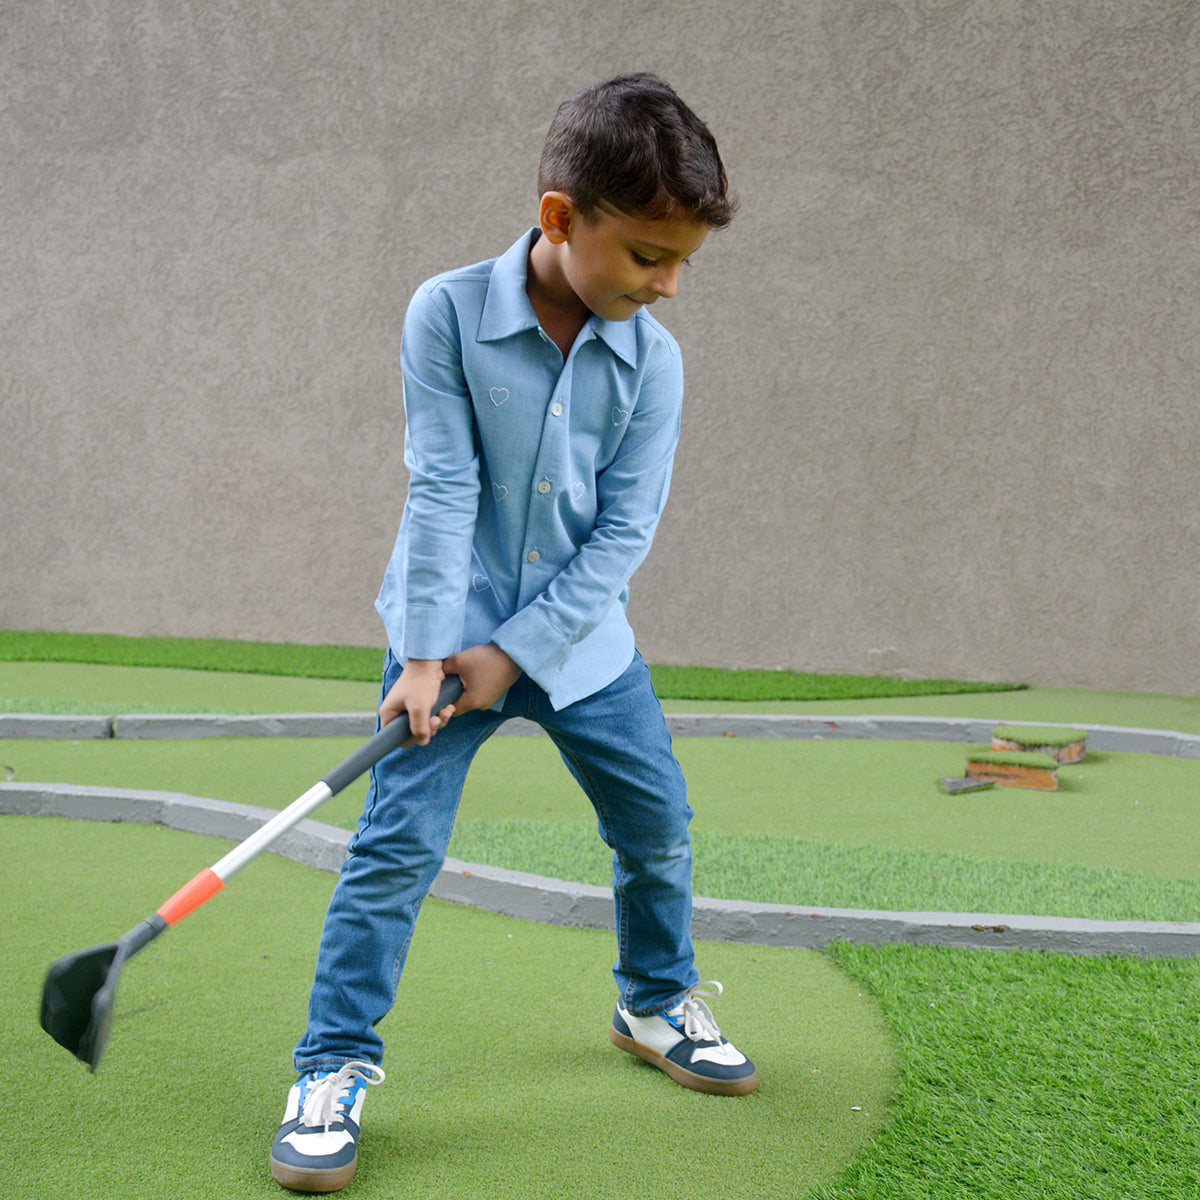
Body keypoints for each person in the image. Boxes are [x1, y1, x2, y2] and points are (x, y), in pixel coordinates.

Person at [269, 72, 755, 1194]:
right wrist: (437, 654)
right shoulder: (444, 313)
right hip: (441, 643)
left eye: (683, 260)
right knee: (393, 854)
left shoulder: (656, 365)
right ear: (559, 217)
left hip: (584, 647)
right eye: (647, 254)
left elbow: (622, 535)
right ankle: (332, 1062)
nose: (671, 284)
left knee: (657, 825)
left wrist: (518, 653)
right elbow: (440, 489)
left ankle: (653, 999)